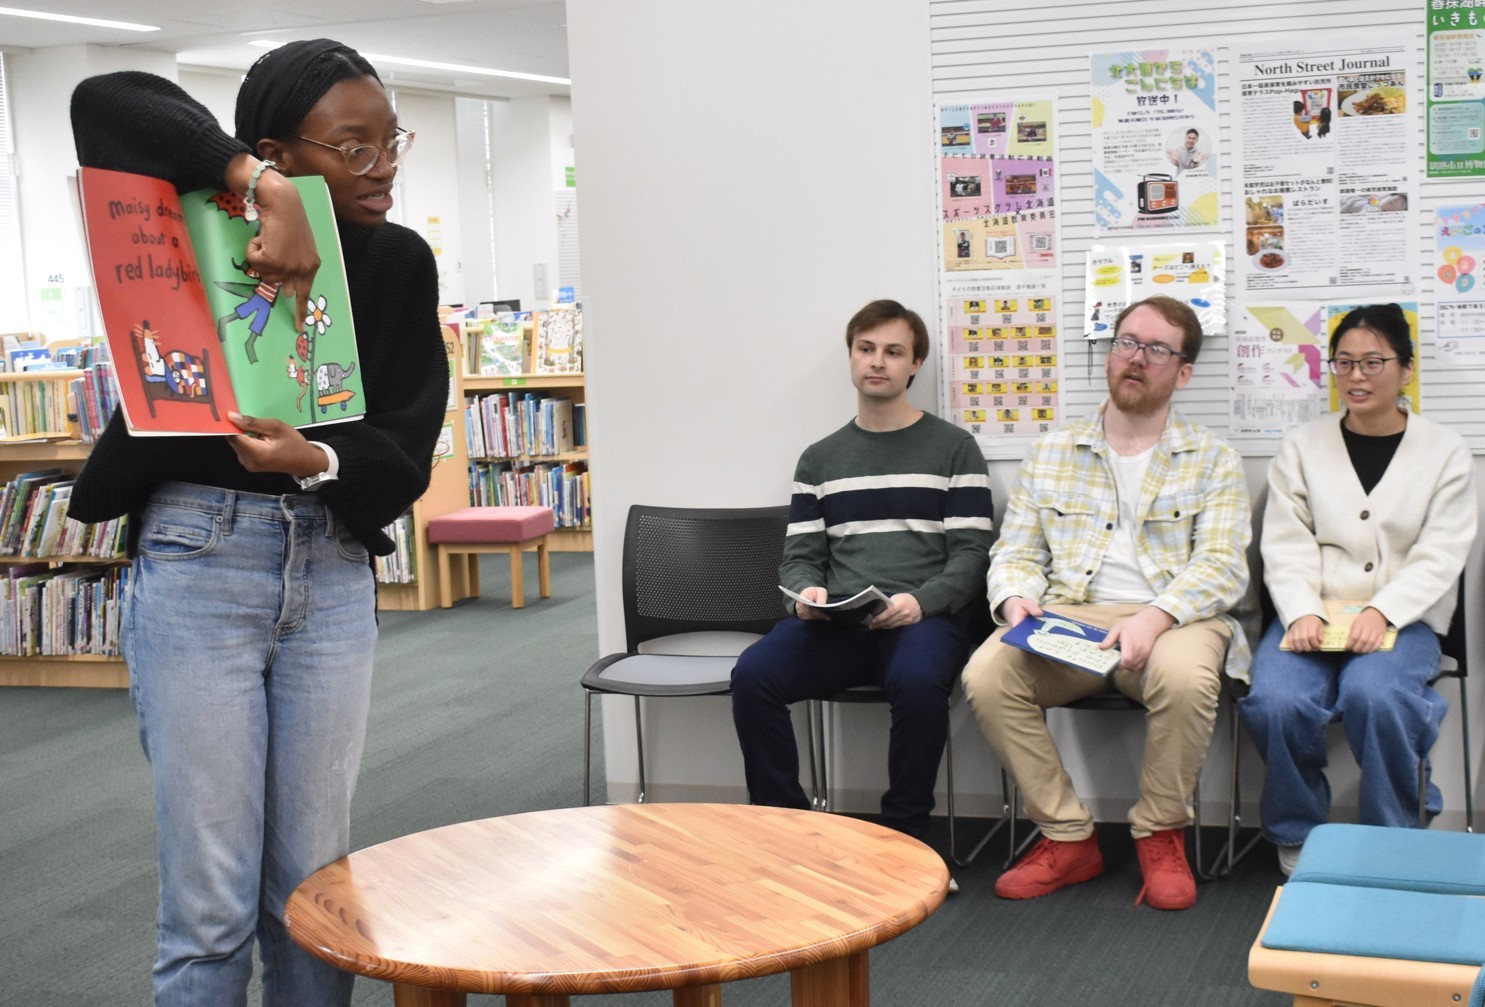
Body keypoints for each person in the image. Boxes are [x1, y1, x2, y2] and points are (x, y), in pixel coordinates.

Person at [68, 39, 449, 1006]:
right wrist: (260, 189)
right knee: (210, 900)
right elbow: (106, 97)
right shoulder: (200, 220)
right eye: (353, 148)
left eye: (390, 142)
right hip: (198, 559)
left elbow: (407, 440)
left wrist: (313, 458)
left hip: (330, 571)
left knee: (315, 891)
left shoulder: (398, 260)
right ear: (279, 151)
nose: (383, 166)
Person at [961, 295, 1250, 911]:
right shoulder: (1051, 451)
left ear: (1184, 372)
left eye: (1156, 349)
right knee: (987, 675)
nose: (1135, 358)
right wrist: (1015, 599)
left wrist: (1156, 616)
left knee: (1186, 678)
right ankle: (1067, 836)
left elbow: (1223, 566)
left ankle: (1160, 834)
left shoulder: (1215, 459)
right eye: (1126, 342)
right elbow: (1015, 551)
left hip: (1177, 617)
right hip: (1073, 614)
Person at [730, 299, 994, 844]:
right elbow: (800, 555)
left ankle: (906, 839)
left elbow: (972, 556)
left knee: (918, 684)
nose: (878, 361)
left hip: (922, 619)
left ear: (914, 364)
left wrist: (921, 602)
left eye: (893, 352)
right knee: (753, 675)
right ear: (851, 356)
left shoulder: (955, 449)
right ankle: (783, 828)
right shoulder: (820, 459)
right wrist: (803, 594)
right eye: (866, 348)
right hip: (840, 623)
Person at [1239, 303, 1476, 876]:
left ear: (1406, 369)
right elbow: (1286, 542)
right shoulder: (1302, 445)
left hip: (1403, 619)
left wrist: (1384, 611)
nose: (1356, 376)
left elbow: (1442, 552)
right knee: (1276, 699)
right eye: (1344, 363)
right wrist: (1301, 610)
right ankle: (1297, 831)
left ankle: (1393, 834)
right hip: (1311, 614)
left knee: (1379, 695)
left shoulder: (1444, 450)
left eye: (1373, 362)